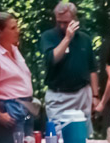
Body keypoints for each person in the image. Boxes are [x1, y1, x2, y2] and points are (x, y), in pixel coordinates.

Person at [40, 2, 99, 135]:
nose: (62, 26)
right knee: (59, 137)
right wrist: (67, 38)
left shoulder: (85, 38)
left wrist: (95, 95)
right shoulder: (48, 36)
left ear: (74, 20)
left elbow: (92, 69)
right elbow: (52, 59)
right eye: (59, 22)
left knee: (84, 136)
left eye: (66, 22)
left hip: (82, 93)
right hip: (59, 96)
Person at [0, 12, 34, 143]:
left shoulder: (14, 50)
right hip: (8, 108)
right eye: (12, 28)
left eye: (16, 27)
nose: (17, 31)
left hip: (25, 106)